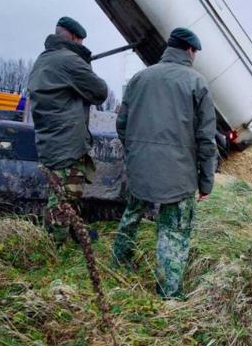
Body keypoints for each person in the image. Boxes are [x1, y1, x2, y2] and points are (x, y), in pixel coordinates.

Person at [112, 27, 217, 299]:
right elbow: (206, 140)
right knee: (173, 232)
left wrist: (136, 153)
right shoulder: (197, 83)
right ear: (190, 51)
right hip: (179, 176)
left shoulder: (139, 78)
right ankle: (168, 293)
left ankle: (118, 265)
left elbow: (121, 124)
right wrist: (206, 182)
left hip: (140, 168)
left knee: (131, 216)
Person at [27, 16, 109, 244]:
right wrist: (83, 61)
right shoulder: (69, 60)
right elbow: (100, 91)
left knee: (66, 191)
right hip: (67, 143)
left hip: (50, 139)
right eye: (81, 42)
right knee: (63, 198)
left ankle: (75, 231)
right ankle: (54, 247)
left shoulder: (43, 59)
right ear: (74, 38)